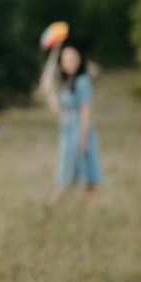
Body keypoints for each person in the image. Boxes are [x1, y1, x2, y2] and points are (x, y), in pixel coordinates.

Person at [39, 43, 103, 203]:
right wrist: (50, 90)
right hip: (66, 128)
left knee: (80, 168)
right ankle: (86, 207)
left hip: (79, 129)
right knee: (68, 166)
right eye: (66, 60)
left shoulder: (83, 82)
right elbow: (58, 109)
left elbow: (86, 111)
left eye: (73, 58)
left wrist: (84, 140)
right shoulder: (67, 84)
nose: (70, 62)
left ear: (80, 60)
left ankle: (53, 204)